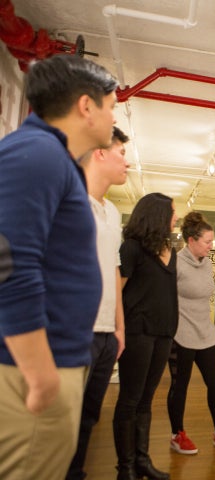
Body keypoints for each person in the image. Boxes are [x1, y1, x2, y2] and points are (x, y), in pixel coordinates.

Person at [0, 55, 117, 480]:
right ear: (86, 106)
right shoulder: (38, 154)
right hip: (28, 374)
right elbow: (7, 261)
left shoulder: (49, 157)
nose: (112, 117)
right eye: (111, 106)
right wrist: (40, 374)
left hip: (53, 361)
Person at [66, 127, 129, 480]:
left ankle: (75, 472)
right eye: (121, 152)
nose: (127, 161)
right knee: (64, 418)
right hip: (76, 331)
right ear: (100, 153)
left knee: (90, 414)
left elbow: (114, 271)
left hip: (106, 334)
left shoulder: (114, 213)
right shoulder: (70, 202)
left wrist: (119, 328)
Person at [168, 212, 215, 454]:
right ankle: (177, 434)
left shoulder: (208, 262)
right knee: (180, 385)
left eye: (212, 242)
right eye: (207, 242)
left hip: (206, 334)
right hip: (182, 335)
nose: (211, 246)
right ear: (191, 240)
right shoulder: (175, 263)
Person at [114, 193, 178, 480]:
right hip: (137, 332)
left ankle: (142, 460)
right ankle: (125, 467)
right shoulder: (131, 248)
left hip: (163, 333)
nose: (176, 217)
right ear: (158, 215)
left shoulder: (170, 250)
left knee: (146, 400)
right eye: (172, 212)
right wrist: (118, 330)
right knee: (130, 399)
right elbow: (117, 291)